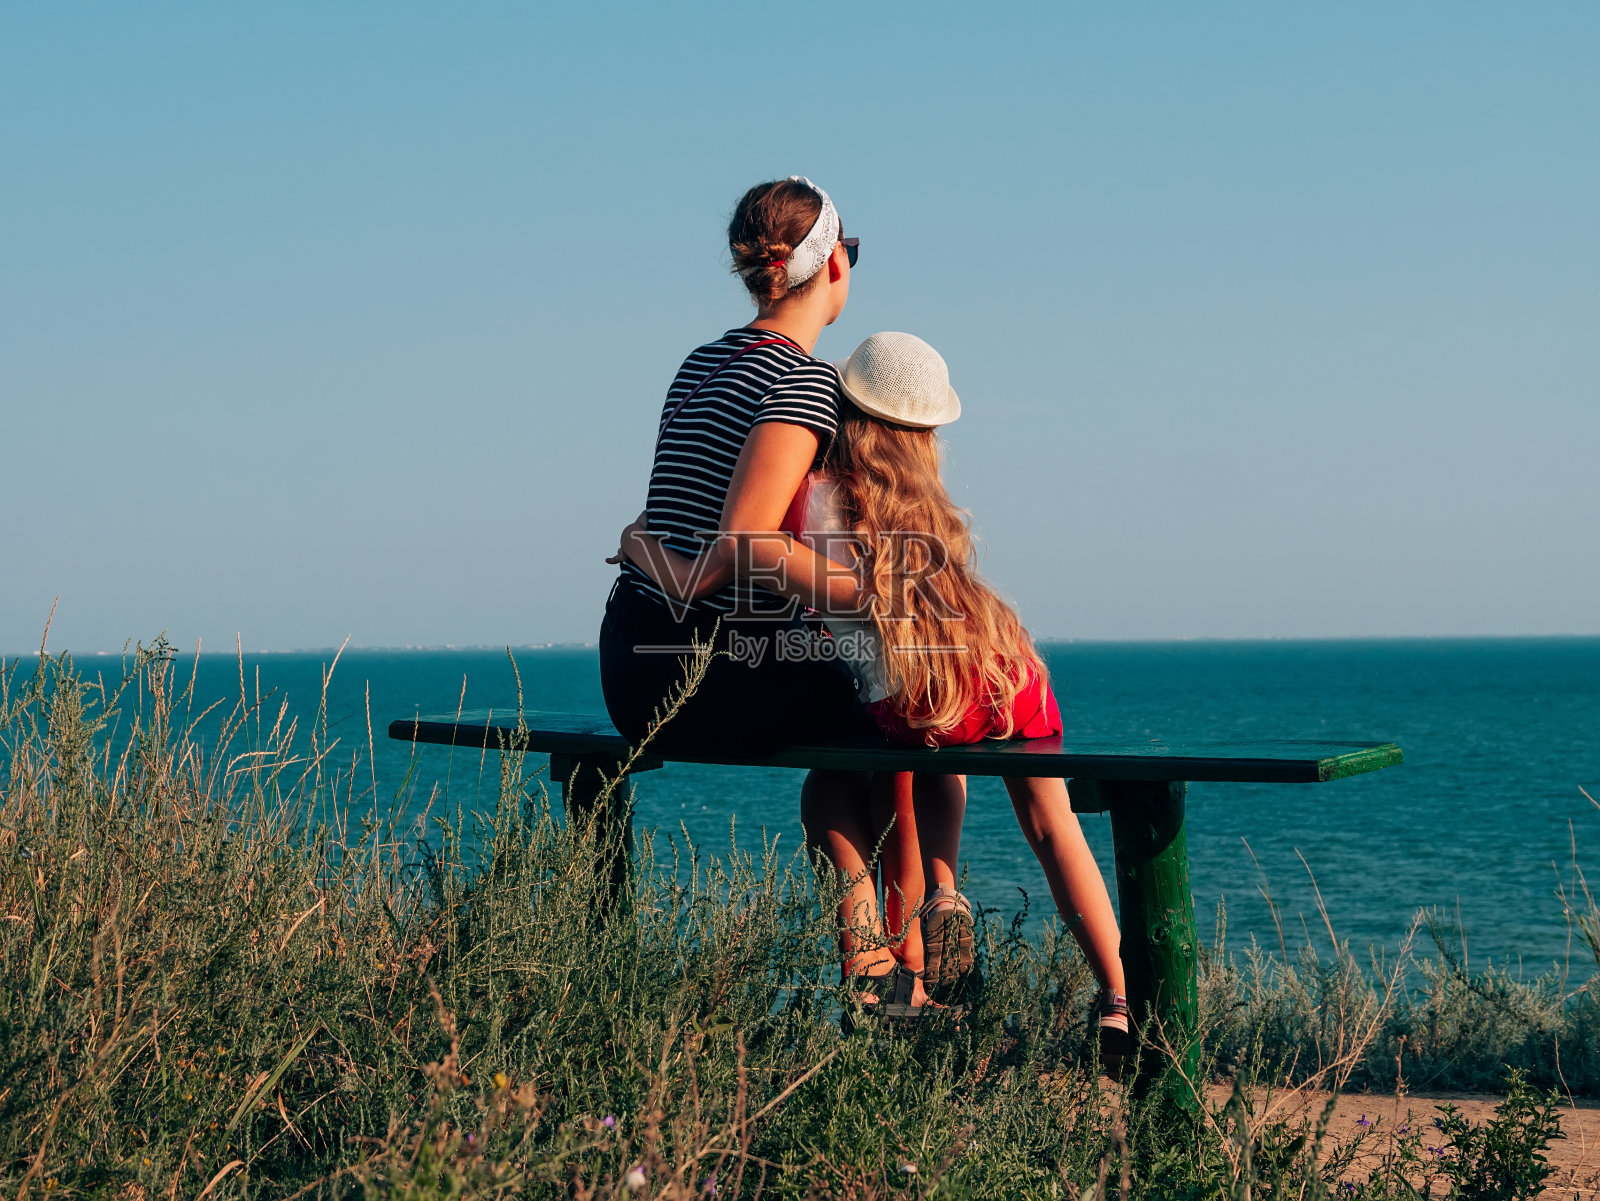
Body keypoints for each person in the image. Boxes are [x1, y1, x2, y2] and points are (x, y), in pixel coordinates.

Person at [618, 330, 1132, 1060]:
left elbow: (736, 551)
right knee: (1051, 824)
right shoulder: (930, 510)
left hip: (912, 701)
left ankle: (877, 966)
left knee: (839, 787)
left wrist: (641, 545)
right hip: (1002, 670)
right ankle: (1115, 993)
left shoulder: (812, 508)